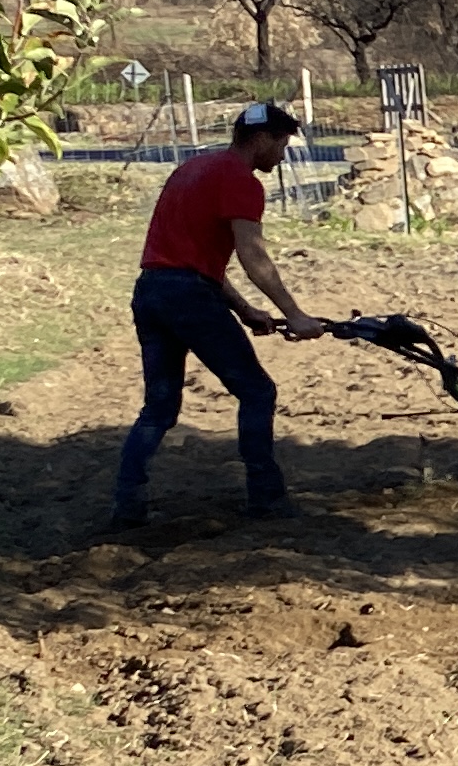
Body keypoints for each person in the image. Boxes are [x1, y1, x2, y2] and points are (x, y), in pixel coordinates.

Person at [111, 99, 326, 528]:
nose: (282, 155)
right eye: (282, 144)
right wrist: (295, 314)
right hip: (188, 297)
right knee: (257, 391)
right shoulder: (241, 181)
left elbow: (190, 260)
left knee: (158, 408)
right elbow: (252, 254)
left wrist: (246, 310)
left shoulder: (193, 169)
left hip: (151, 292)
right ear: (262, 139)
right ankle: (266, 498)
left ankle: (126, 504)